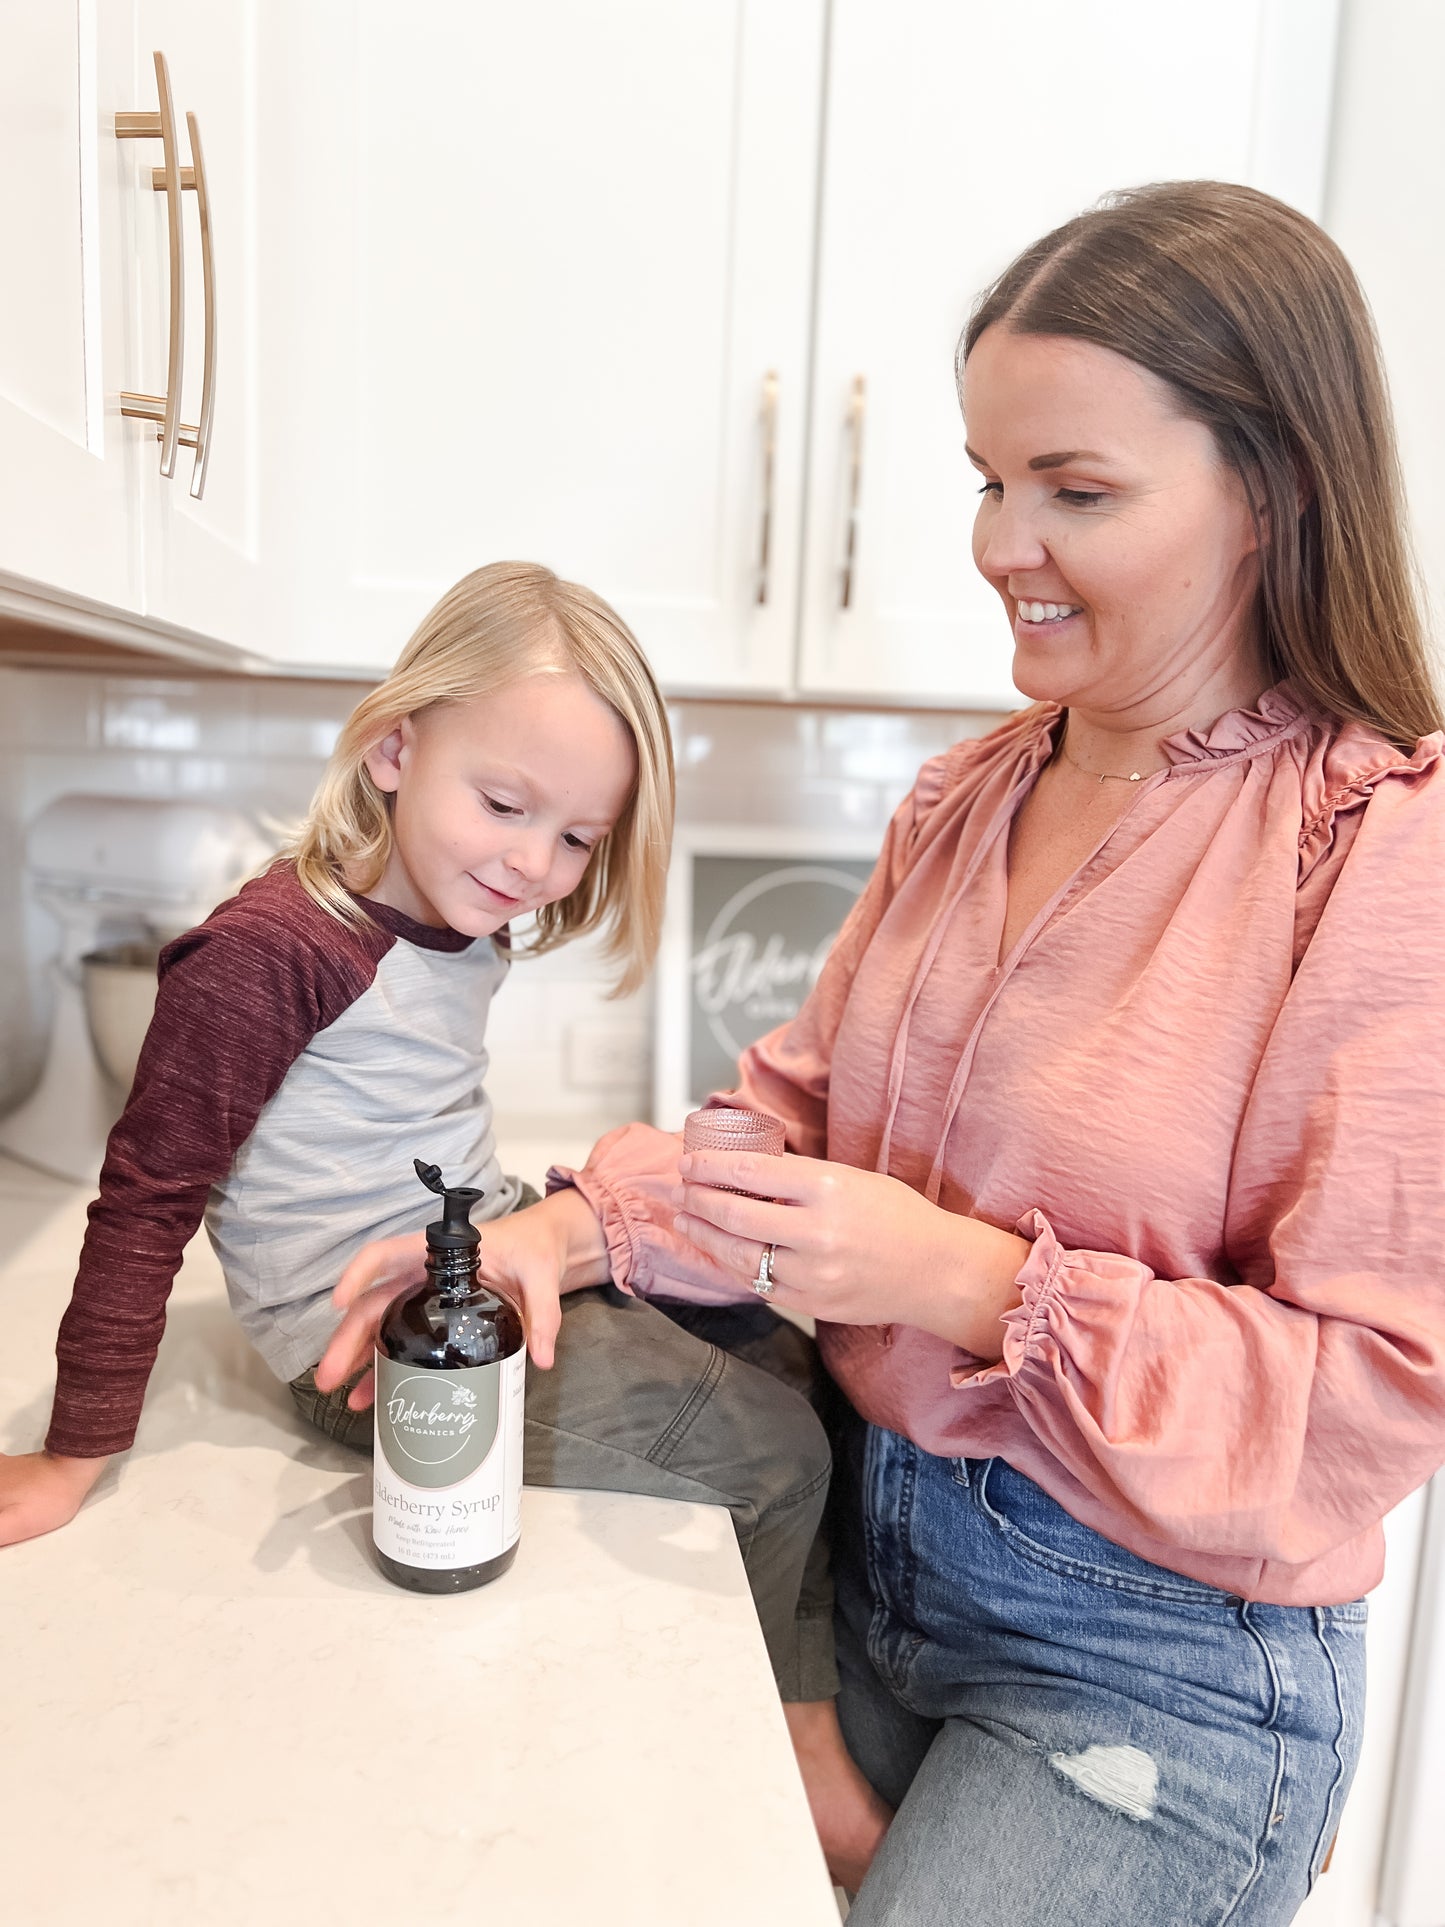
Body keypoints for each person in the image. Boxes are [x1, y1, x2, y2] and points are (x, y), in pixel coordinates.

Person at [321, 184, 1445, 1923]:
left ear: (1269, 496)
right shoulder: (966, 798)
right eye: (990, 480)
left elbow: (1370, 1401)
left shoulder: (1379, 852)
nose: (1003, 540)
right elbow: (782, 1126)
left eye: (1075, 491)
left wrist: (975, 1280)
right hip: (866, 1553)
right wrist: (567, 1231)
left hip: (1153, 1671)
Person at [0, 561, 831, 1703]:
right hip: (371, 1353)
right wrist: (72, 1452)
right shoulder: (270, 953)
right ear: (393, 750)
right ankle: (803, 1738)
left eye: (579, 837)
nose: (534, 864)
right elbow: (146, 1196)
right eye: (504, 806)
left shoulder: (457, 922)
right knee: (776, 1453)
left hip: (474, 1256)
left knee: (791, 1356)